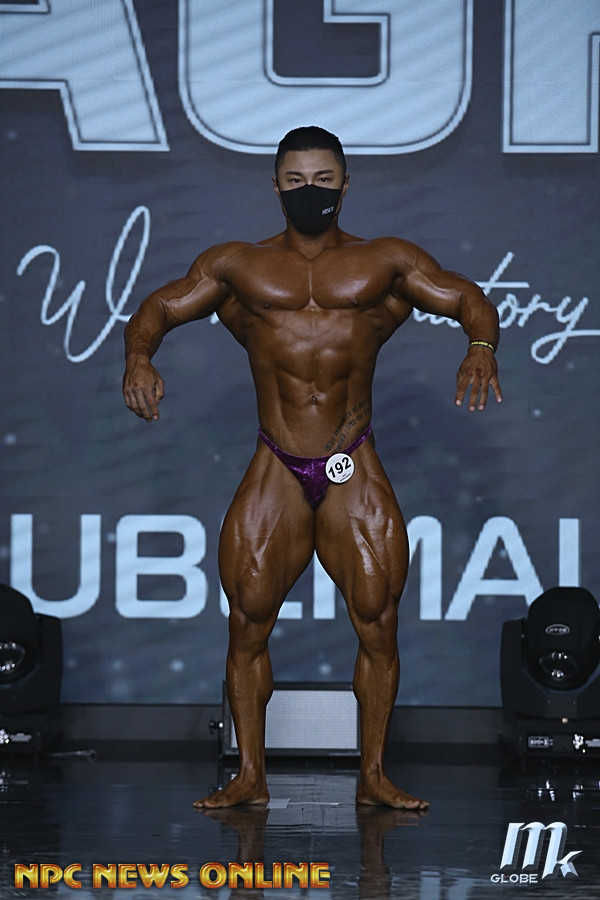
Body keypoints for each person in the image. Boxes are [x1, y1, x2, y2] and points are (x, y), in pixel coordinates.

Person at [122, 126, 502, 811]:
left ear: (346, 184)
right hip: (278, 457)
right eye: (296, 180)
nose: (310, 191)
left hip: (352, 457)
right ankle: (250, 775)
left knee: (377, 620)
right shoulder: (238, 266)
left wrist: (480, 345)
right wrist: (139, 358)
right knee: (247, 621)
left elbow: (465, 296)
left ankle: (374, 774)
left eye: (323, 179)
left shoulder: (384, 262)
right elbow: (159, 307)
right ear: (275, 185)